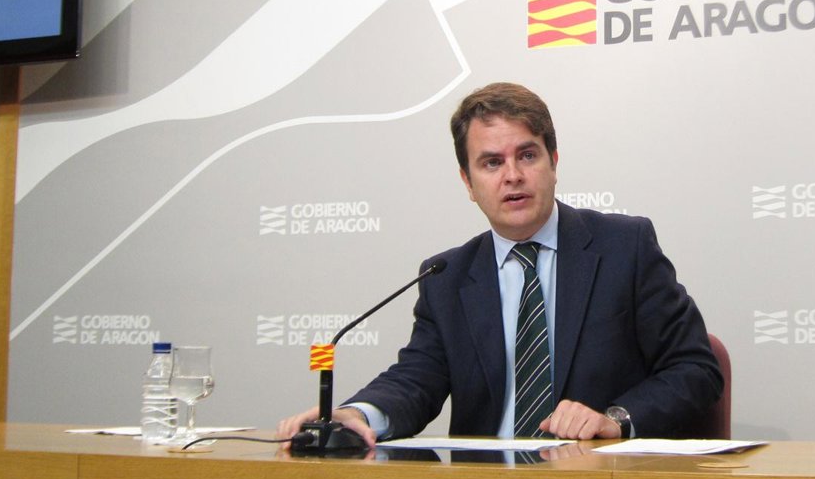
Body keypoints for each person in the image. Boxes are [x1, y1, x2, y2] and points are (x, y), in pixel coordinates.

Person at [277, 82, 721, 447]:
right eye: (491, 163)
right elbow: (416, 380)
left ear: (553, 163)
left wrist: (615, 419)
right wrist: (357, 415)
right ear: (468, 183)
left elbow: (695, 369)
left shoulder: (625, 248)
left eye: (527, 155)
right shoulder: (447, 278)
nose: (512, 175)